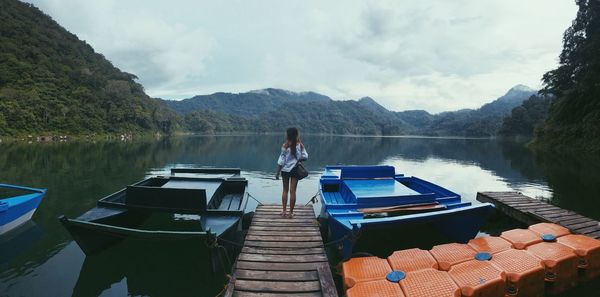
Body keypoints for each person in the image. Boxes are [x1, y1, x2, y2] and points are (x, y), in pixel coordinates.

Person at [275, 127, 308, 218]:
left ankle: (284, 211)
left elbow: (281, 161)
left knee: (285, 190)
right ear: (296, 135)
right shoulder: (300, 145)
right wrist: (298, 160)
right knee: (293, 191)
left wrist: (277, 172)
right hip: (295, 170)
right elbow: (305, 156)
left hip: (285, 170)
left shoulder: (285, 145)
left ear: (288, 135)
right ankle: (291, 213)